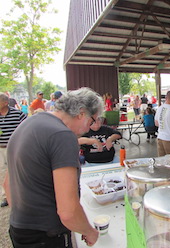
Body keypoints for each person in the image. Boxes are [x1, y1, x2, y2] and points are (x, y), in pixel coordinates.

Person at [4, 87, 102, 247]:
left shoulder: (28, 123)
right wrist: (89, 231)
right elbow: (68, 212)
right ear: (81, 113)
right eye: (91, 121)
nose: (88, 129)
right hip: (47, 236)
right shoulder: (62, 135)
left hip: (19, 229)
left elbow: (8, 184)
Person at [0, 93, 27, 208]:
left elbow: (27, 128)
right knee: (4, 173)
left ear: (5, 103)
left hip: (15, 148)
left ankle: (18, 195)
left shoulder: (18, 114)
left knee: (15, 171)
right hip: (0, 148)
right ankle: (6, 196)